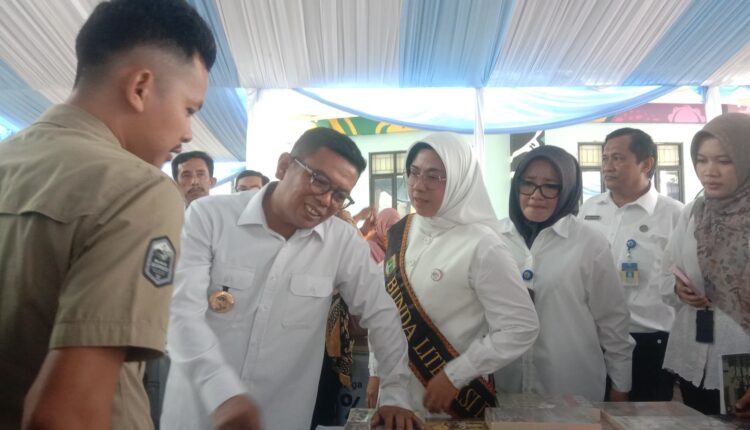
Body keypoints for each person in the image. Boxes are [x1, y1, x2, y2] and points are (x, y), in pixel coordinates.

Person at [0, 0, 215, 428]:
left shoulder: (10, 160)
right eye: (189, 109)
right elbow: (67, 415)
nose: (187, 133)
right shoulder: (138, 189)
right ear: (140, 87)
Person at [161, 127, 423, 430]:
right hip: (198, 413)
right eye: (319, 180)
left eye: (339, 195)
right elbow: (180, 313)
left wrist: (395, 393)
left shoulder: (341, 241)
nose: (326, 200)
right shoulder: (210, 217)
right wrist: (222, 393)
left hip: (280, 417)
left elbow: (382, 314)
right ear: (284, 166)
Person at [369, 132, 540, 418]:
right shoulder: (401, 232)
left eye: (434, 176)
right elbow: (383, 309)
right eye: (414, 173)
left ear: (460, 179)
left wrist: (457, 374)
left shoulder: (482, 245)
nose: (418, 186)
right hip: (393, 400)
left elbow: (521, 326)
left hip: (452, 405)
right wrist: (376, 371)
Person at [494, 145, 635, 402]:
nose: (536, 195)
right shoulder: (493, 238)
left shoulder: (589, 243)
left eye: (550, 186)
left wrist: (620, 385)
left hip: (570, 389)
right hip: (504, 386)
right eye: (528, 183)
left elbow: (613, 321)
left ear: (568, 189)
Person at [579, 128, 683, 401]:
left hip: (648, 339)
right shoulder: (589, 209)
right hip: (595, 337)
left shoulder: (675, 214)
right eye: (605, 158)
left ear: (646, 164)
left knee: (644, 417)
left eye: (617, 158)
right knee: (592, 413)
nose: (607, 166)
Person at [661, 112, 750, 416]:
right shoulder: (695, 213)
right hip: (695, 355)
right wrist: (678, 288)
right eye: (701, 160)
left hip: (741, 356)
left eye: (724, 161)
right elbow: (666, 271)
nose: (709, 171)